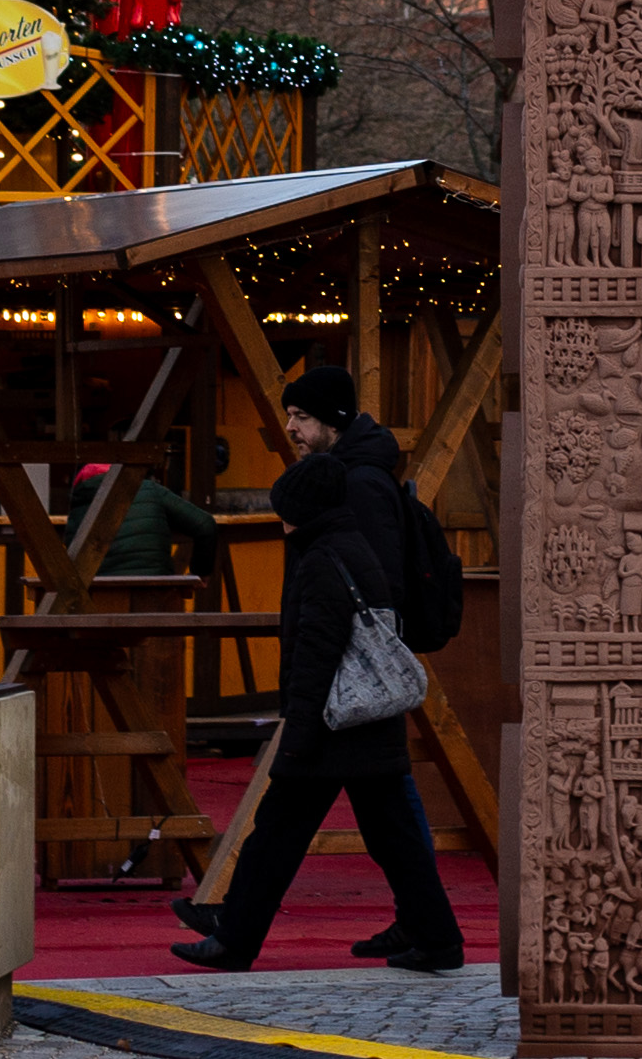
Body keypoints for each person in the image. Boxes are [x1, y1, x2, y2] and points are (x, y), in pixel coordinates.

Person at [168, 365, 465, 976]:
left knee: (287, 825)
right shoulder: (347, 501)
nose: (292, 428)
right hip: (359, 706)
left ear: (332, 420)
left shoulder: (346, 512)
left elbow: (333, 633)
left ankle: (236, 935)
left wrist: (299, 727)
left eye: (302, 417)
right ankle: (432, 935)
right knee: (382, 830)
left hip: (339, 707)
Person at [78, 458, 222, 585]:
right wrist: (200, 573)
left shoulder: (79, 503)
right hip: (157, 590)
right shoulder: (149, 489)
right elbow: (206, 525)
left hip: (98, 595)